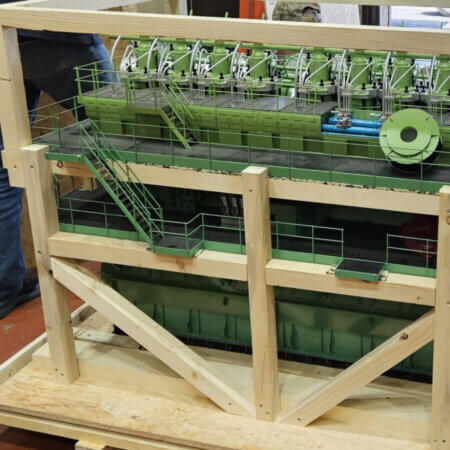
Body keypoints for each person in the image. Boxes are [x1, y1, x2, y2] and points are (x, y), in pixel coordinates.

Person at [0, 3, 111, 319]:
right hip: (57, 31)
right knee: (124, 138)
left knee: (3, 167)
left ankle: (4, 288)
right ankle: (143, 269)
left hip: (6, 32)